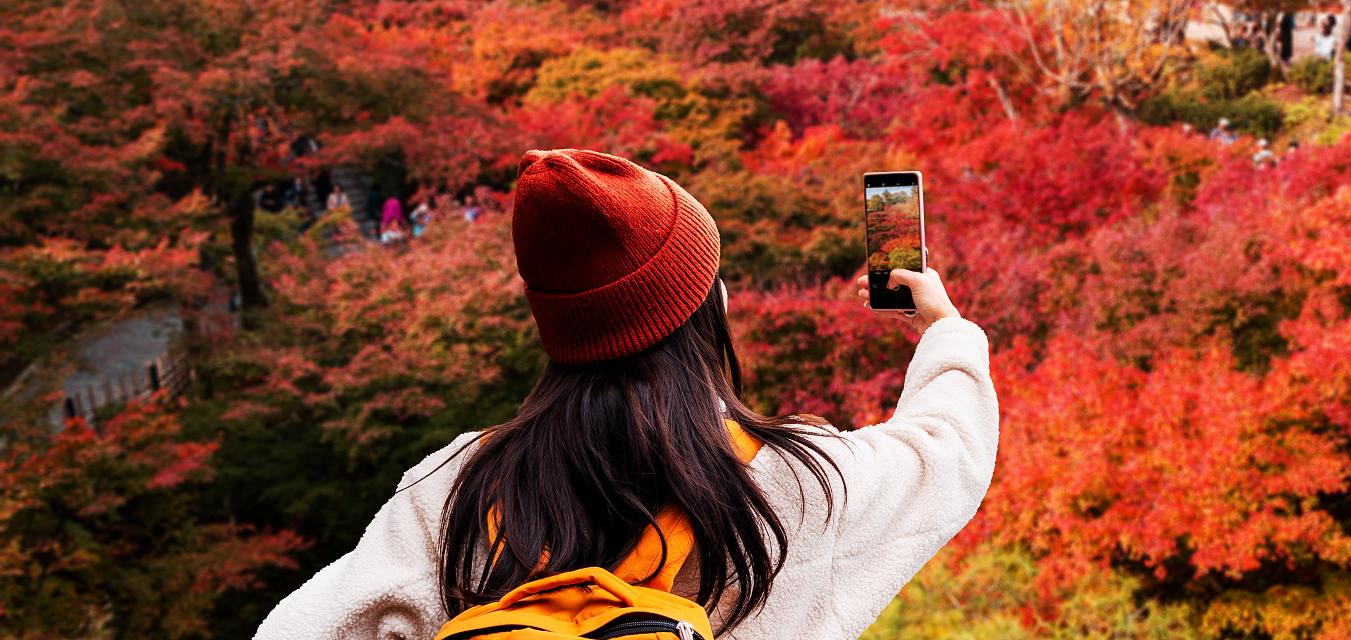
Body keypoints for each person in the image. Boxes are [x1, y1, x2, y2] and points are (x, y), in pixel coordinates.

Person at [254, 149, 998, 639]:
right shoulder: (794, 486)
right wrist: (945, 330)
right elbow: (946, 452)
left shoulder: (456, 489)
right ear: (710, 308)